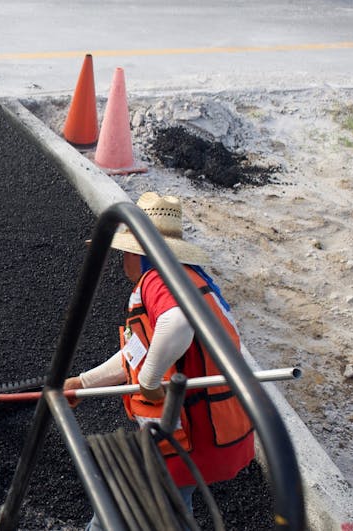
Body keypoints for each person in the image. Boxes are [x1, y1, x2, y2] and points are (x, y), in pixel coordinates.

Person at [65, 192, 253, 529]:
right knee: (149, 502)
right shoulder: (188, 279)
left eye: (125, 252)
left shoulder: (159, 279)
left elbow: (177, 323)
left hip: (188, 431)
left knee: (130, 505)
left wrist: (150, 381)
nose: (122, 260)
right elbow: (138, 350)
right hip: (210, 427)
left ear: (140, 253)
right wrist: (83, 383)